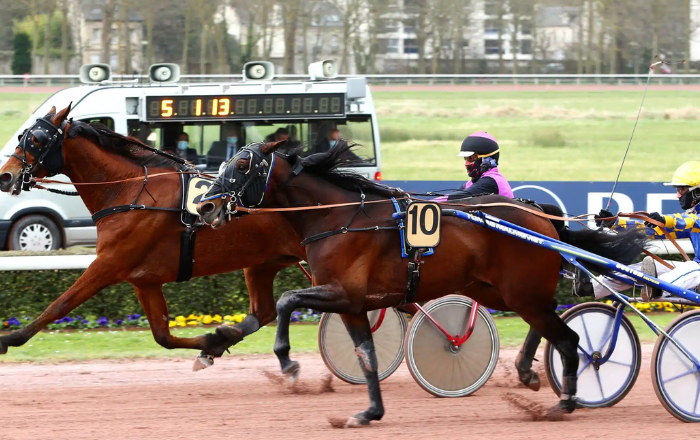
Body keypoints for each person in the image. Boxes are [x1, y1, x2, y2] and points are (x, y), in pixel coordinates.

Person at [593, 161, 700, 301]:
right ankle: (593, 285)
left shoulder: (690, 220)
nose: (678, 196)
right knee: (648, 267)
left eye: (681, 190)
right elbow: (653, 232)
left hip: (696, 271)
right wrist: (615, 223)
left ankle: (656, 287)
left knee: (692, 267)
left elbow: (691, 222)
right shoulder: (690, 218)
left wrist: (665, 219)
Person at [433, 131, 514, 202]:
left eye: (471, 158)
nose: (466, 164)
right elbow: (451, 197)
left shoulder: (492, 181)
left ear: (486, 159)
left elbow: (456, 199)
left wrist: (427, 205)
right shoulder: (471, 183)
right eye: (465, 158)